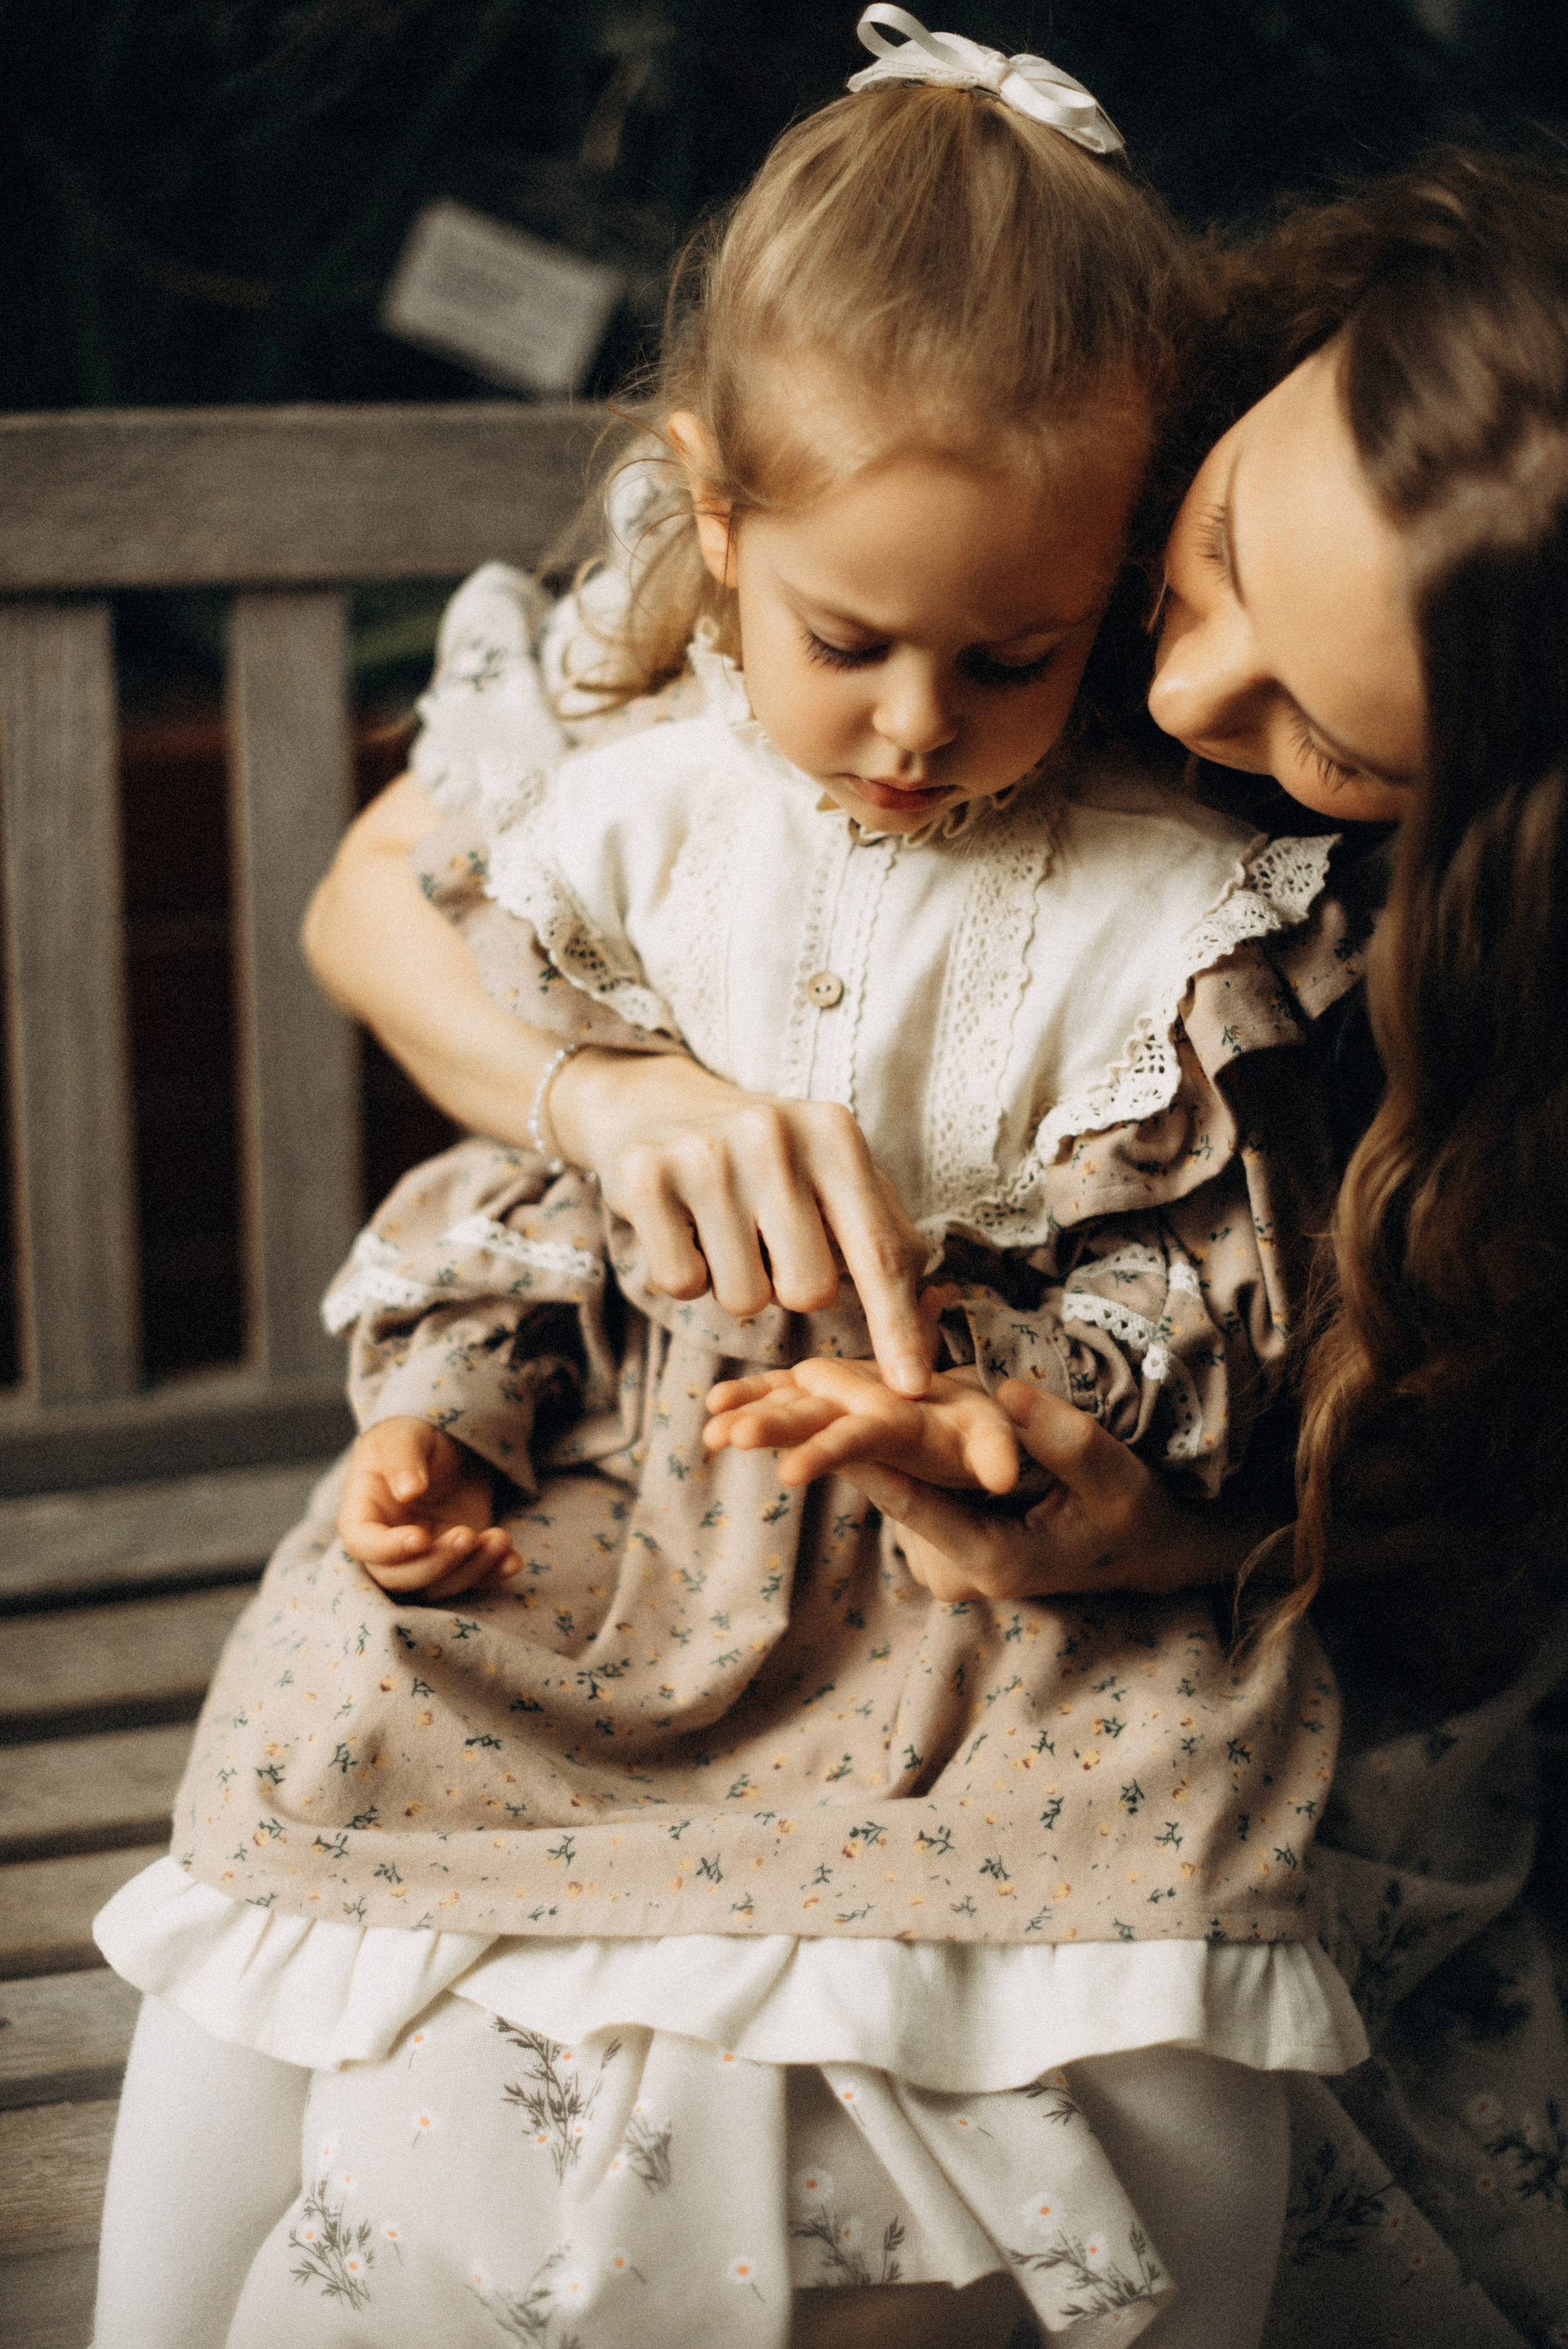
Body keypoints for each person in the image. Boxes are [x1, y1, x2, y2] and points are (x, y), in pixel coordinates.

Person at [89, 17, 1369, 2349]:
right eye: (845, 641)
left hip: (963, 1553)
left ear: (1116, 567)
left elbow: (1205, 1288)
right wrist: (444, 1423)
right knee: (327, 1719)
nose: (912, 726)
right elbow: (527, 1185)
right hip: (632, 1479)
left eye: (1013, 652)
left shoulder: (1164, 903)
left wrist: (1046, 1402)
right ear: (715, 519)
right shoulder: (640, 799)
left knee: (1174, 1833)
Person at [744, 149, 1568, 2346]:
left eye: (1332, 736)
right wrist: (607, 1094)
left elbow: (1476, 1531)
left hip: (1308, 1594)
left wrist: (1180, 1532)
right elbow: (388, 885)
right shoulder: (1057, 430)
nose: (1192, 702)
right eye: (1205, 559)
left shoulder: (1478, 1018)